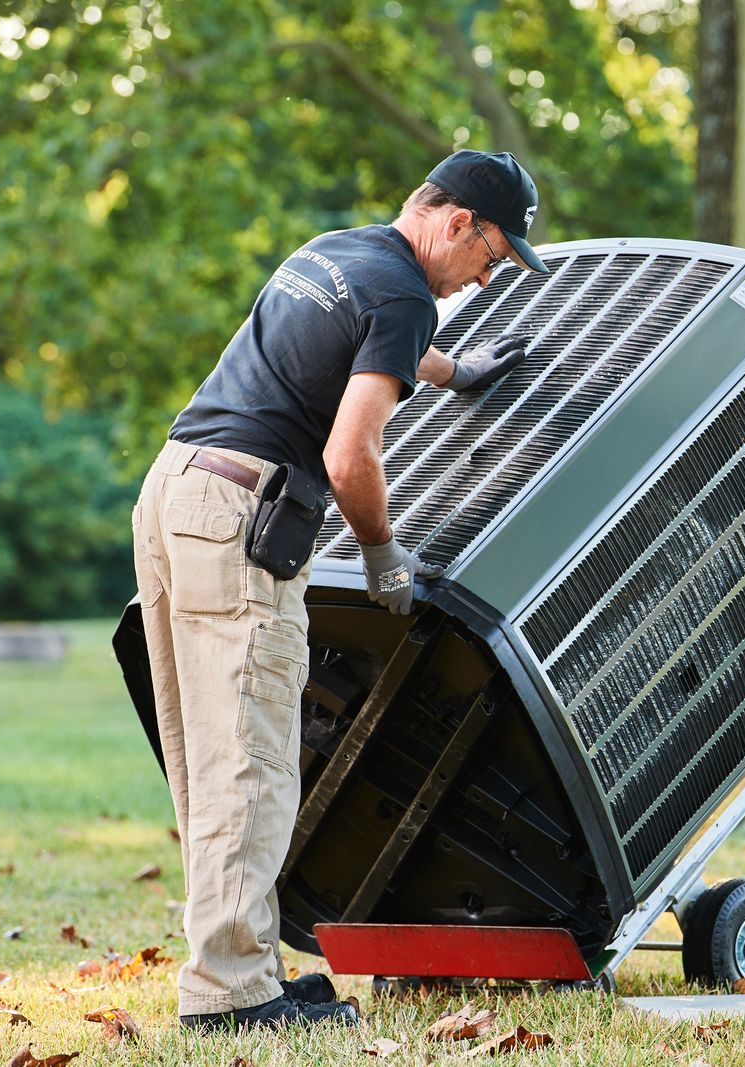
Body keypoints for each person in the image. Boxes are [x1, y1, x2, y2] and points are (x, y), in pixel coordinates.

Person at [130, 150, 550, 1031]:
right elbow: (348, 454)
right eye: (492, 256)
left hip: (174, 487)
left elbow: (363, 343)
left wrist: (454, 372)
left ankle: (241, 963)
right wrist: (383, 554)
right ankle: (231, 996)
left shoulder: (338, 251)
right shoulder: (405, 293)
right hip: (243, 512)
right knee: (250, 761)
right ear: (459, 221)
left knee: (209, 755)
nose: (484, 279)